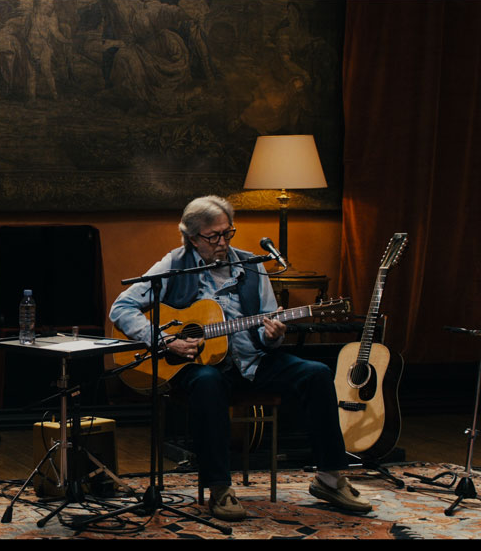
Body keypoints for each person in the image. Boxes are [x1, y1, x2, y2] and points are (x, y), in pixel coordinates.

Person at [109, 195, 371, 522]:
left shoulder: (251, 265)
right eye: (213, 236)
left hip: (252, 362)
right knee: (208, 383)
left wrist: (272, 335)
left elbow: (266, 323)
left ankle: (330, 478)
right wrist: (165, 340)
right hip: (197, 365)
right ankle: (219, 487)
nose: (223, 242)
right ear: (192, 237)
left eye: (227, 233)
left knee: (316, 373)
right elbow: (121, 308)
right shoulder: (174, 265)